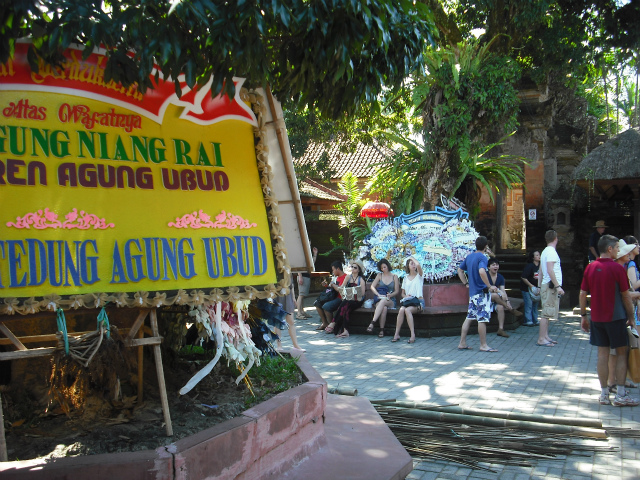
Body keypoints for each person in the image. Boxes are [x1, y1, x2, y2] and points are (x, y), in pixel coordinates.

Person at [579, 235, 638, 406]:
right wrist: (631, 317)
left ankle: (604, 394)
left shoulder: (591, 268)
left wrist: (583, 316)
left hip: (597, 318)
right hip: (616, 317)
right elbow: (626, 296)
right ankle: (620, 394)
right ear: (610, 249)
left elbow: (583, 294)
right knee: (621, 354)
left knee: (602, 355)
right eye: (617, 248)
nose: (619, 251)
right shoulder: (617, 268)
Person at [606, 239, 640, 391]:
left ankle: (621, 379)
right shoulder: (617, 270)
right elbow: (623, 295)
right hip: (618, 315)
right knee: (615, 352)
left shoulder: (621, 268)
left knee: (623, 350)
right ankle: (612, 381)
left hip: (621, 314)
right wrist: (636, 295)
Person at [457, 236, 498, 352]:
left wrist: (466, 283)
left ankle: (462, 342)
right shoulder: (482, 257)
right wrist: (489, 286)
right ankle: (483, 345)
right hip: (481, 293)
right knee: (482, 319)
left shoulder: (470, 257)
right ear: (485, 246)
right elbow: (481, 271)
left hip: (472, 293)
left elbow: (460, 270)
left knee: (469, 317)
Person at [325, 259, 366, 338]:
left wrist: (355, 291)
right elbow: (341, 287)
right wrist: (344, 290)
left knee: (345, 304)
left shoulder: (361, 279)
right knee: (346, 307)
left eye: (355, 267)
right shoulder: (348, 277)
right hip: (348, 299)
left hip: (357, 300)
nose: (353, 268)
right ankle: (345, 331)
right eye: (352, 267)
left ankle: (334, 323)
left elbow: (363, 294)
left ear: (359, 270)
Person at [537, 230, 563, 347]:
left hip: (545, 284)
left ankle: (546, 336)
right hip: (550, 286)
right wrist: (558, 286)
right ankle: (541, 338)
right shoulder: (551, 252)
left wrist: (539, 285)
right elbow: (550, 270)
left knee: (548, 311)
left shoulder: (544, 252)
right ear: (555, 238)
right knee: (546, 313)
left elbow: (541, 271)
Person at [486, 257, 521, 338]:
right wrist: (499, 292)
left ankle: (501, 329)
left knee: (500, 307)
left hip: (496, 299)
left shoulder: (500, 277)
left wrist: (507, 301)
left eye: (497, 265)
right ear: (488, 267)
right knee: (495, 295)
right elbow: (488, 289)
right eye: (493, 265)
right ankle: (510, 310)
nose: (496, 266)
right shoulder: (486, 275)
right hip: (485, 297)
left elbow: (503, 291)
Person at [392, 256, 424, 344]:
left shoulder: (419, 276)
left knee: (407, 310)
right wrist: (406, 296)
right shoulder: (405, 278)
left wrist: (411, 258)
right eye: (411, 263)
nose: (414, 265)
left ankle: (412, 335)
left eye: (414, 263)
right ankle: (396, 334)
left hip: (418, 302)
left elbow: (418, 265)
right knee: (402, 309)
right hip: (409, 301)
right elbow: (402, 293)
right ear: (408, 266)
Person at [367, 259, 400, 338]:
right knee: (384, 308)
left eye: (384, 267)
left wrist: (390, 295)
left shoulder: (394, 276)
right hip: (380, 297)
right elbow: (372, 286)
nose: (383, 269)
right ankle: (381, 330)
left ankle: (372, 323)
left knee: (383, 301)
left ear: (388, 266)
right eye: (382, 268)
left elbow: (397, 291)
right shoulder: (379, 275)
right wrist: (377, 294)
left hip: (391, 300)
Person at [275, 275, 304, 351]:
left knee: (291, 321)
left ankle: (295, 345)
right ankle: (279, 345)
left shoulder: (288, 270)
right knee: (277, 321)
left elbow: (291, 285)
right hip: (276, 295)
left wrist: (293, 297)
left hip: (287, 295)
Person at [315, 260, 346, 330]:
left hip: (340, 298)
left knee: (326, 306)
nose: (333, 272)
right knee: (317, 303)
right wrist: (326, 286)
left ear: (338, 269)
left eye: (333, 270)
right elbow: (332, 289)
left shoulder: (345, 277)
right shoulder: (336, 277)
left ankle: (331, 326)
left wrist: (332, 284)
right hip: (333, 296)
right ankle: (325, 323)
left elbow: (339, 289)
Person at [295, 247, 318, 319]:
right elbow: (297, 266)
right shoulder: (300, 254)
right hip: (303, 276)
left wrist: (315, 254)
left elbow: (311, 264)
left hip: (307, 275)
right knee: (301, 295)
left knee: (303, 295)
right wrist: (300, 275)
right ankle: (298, 313)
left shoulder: (307, 254)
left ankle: (302, 311)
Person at [520, 250, 541, 327]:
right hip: (526, 288)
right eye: (537, 255)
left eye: (539, 255)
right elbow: (523, 277)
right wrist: (531, 285)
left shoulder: (540, 266)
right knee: (529, 304)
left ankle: (535, 319)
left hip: (536, 288)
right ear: (533, 257)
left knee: (535, 304)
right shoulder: (530, 266)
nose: (539, 256)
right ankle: (528, 320)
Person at [624, 235, 640, 326]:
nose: (638, 247)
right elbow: (633, 285)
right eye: (636, 244)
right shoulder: (631, 263)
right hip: (633, 303)